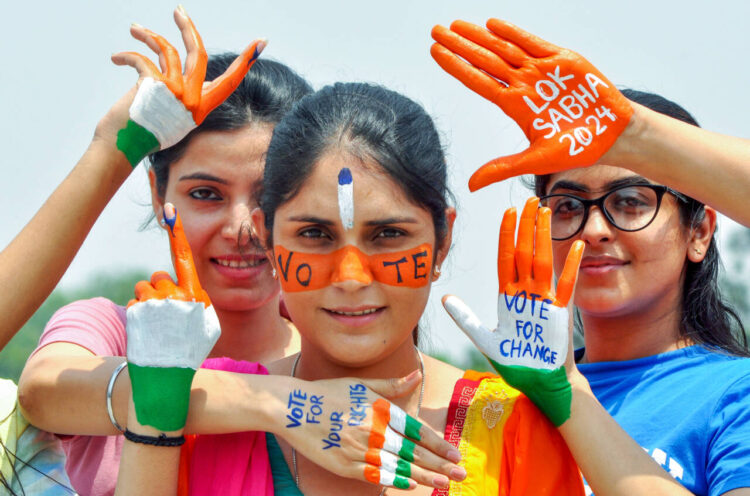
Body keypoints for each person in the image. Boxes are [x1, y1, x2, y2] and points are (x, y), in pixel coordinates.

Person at [18, 9, 462, 496]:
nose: (241, 227)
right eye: (206, 194)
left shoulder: (348, 338)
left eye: (265, 195)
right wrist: (285, 402)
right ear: (157, 191)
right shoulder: (116, 332)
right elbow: (43, 392)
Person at [116, 81, 588, 495]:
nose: (351, 277)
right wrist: (161, 396)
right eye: (315, 236)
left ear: (442, 242)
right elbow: (44, 390)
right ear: (266, 238)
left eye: (388, 236)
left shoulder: (513, 428)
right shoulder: (205, 410)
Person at [431, 17, 750, 495]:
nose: (594, 229)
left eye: (630, 201)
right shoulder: (494, 401)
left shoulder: (736, 396)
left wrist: (569, 398)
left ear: (699, 231)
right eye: (568, 206)